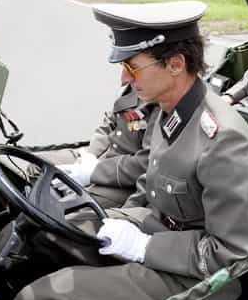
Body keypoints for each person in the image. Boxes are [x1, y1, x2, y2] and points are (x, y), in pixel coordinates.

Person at [0, 1, 248, 300]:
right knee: (54, 231)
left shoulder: (224, 140)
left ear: (176, 64)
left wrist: (142, 247)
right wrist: (115, 220)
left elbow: (231, 255)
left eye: (131, 67)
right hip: (159, 233)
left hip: (197, 280)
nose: (124, 79)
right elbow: (151, 187)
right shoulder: (171, 112)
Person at [35, 81, 159, 209]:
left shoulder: (160, 100)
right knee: (38, 165)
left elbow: (146, 163)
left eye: (131, 67)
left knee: (71, 210)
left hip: (124, 179)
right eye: (124, 66)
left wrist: (92, 173)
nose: (124, 77)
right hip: (102, 158)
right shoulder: (130, 88)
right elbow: (108, 127)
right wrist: (89, 156)